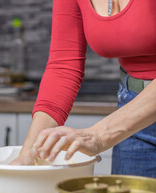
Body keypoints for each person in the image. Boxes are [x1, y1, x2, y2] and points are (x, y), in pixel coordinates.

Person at [11, 0, 156, 177]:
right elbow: (63, 66)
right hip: (134, 115)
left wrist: (99, 135)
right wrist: (29, 154)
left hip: (132, 117)